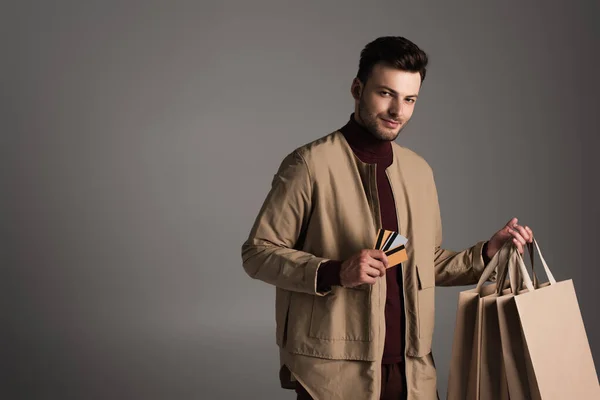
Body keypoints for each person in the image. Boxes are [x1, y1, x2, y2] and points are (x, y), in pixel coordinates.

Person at [241, 36, 533, 400]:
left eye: (410, 99)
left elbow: (426, 263)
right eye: (385, 94)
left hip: (412, 373)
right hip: (333, 374)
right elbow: (257, 253)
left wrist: (488, 252)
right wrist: (336, 271)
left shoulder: (419, 171)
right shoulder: (309, 165)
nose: (398, 110)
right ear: (357, 88)